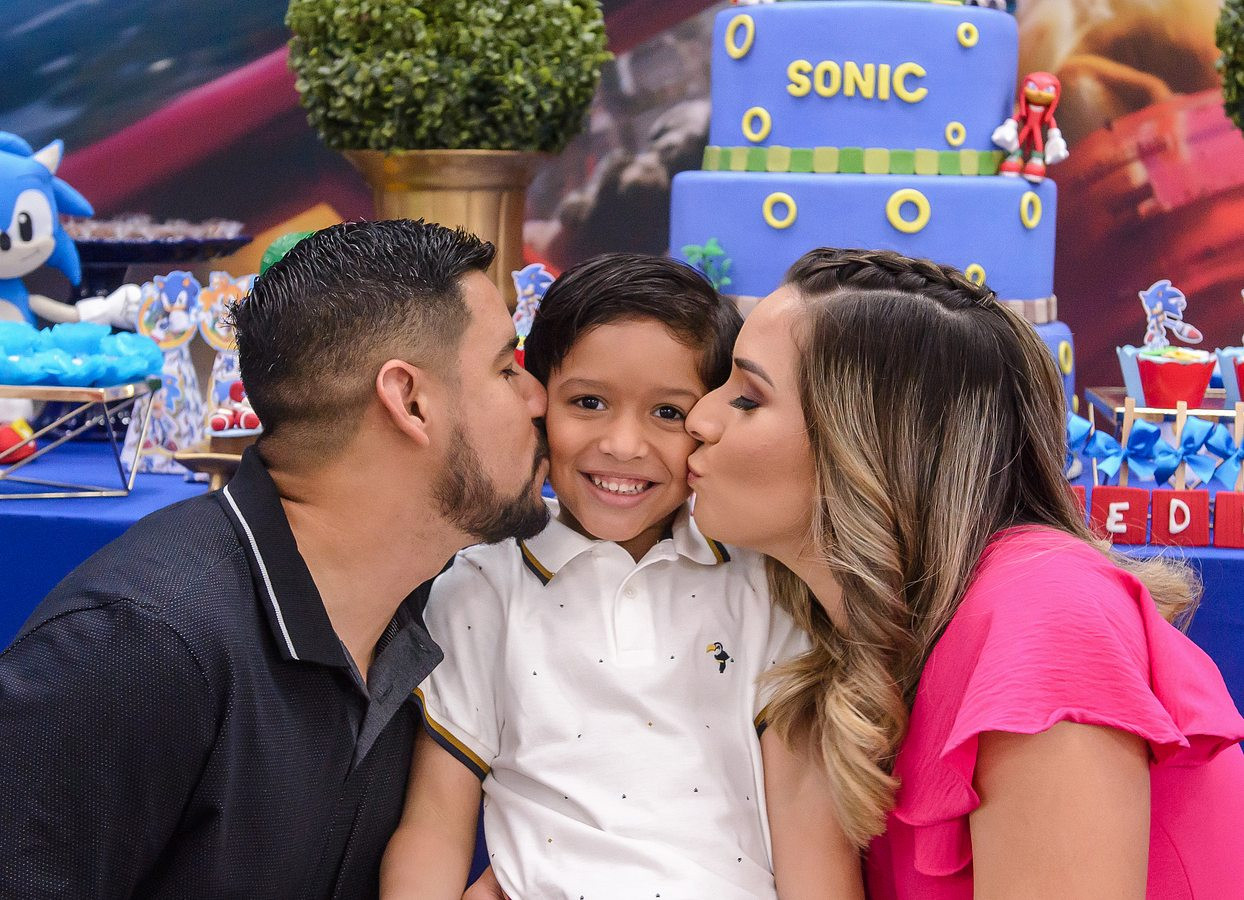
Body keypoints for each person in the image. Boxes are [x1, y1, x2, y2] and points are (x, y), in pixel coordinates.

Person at [0, 219, 550, 898]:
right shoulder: (136, 646)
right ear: (411, 401)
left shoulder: (434, 605)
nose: (538, 398)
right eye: (506, 368)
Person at [684, 247, 1244, 899]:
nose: (699, 419)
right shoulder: (851, 657)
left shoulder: (1046, 615)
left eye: (747, 398)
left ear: (873, 445)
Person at [381, 254, 860, 900]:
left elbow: (810, 827)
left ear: (710, 421)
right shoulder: (483, 586)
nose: (624, 445)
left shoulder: (763, 584)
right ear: (537, 402)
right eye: (589, 402)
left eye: (668, 413)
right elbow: (434, 825)